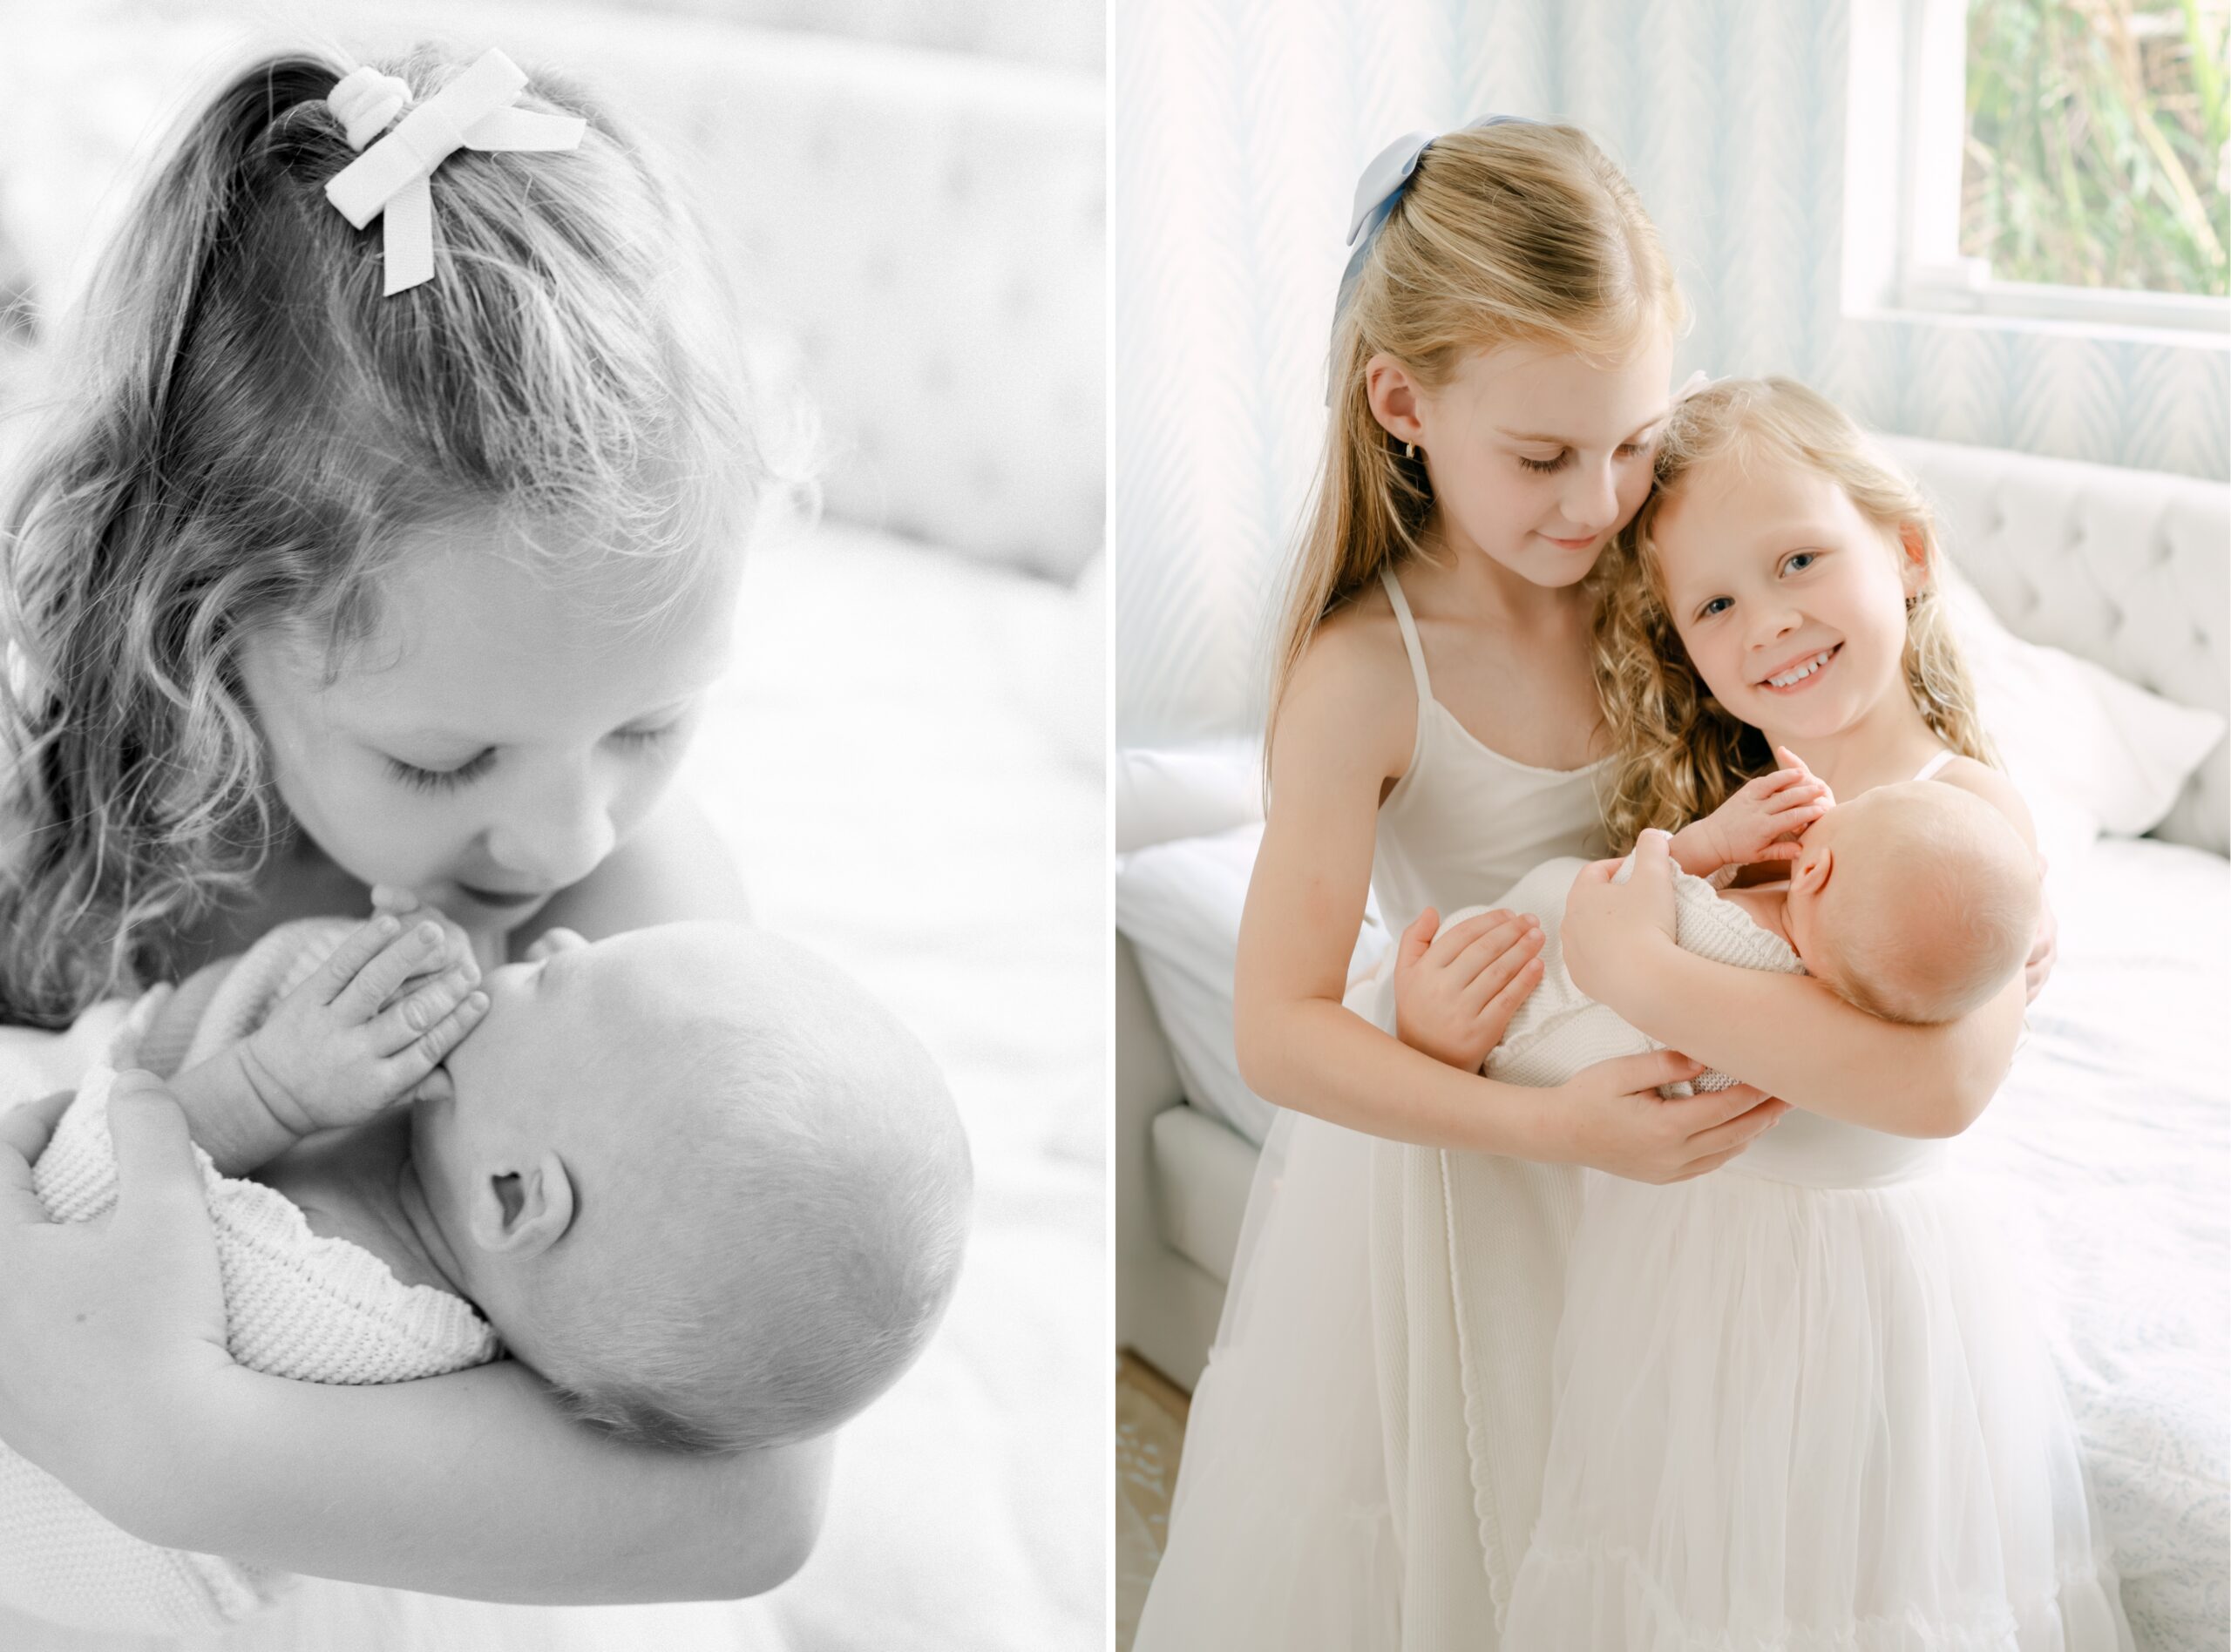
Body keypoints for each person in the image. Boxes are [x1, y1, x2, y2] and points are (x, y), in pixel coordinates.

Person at [1133, 129, 2052, 1649]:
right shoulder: (1370, 674)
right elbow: (1279, 1031)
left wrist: (1988, 875)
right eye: (1546, 458)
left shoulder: (1675, 574)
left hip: (1700, 1193)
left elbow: (1869, 714)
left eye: (1634, 439)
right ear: (1403, 406)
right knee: (1482, 1550)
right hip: (1496, 1156)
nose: (1600, 498)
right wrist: (1542, 1119)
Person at [0, 44, 828, 1620]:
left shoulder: (625, 918)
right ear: (204, 634)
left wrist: (169, 1442)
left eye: (653, 725)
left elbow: (766, 1495)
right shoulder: (55, 796)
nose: (563, 829)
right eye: (447, 760)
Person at [1482, 376, 2126, 1646]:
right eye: (1717, 602)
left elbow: (1939, 1093)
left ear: (1907, 552)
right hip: (1694, 1264)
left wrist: (1645, 976)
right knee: (1685, 1579)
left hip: (1859, 1288)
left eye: (1798, 560)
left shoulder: (1968, 813)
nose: (1769, 622)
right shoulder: (1738, 807)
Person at [7, 909, 971, 1634]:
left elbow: (68, 1217)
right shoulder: (462, 1223)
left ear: (511, 1195)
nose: (549, 939)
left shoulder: (330, 1307)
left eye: (558, 985)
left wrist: (263, 1091)